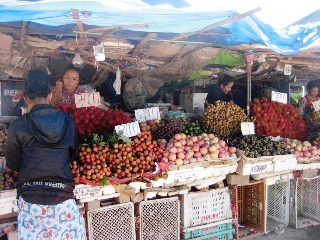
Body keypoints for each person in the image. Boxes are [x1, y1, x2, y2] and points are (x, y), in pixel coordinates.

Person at [5, 69, 87, 240]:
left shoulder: (17, 125)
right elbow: (73, 156)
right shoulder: (68, 121)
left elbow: (13, 163)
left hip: (30, 201)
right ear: (50, 95)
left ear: (25, 98)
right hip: (62, 199)